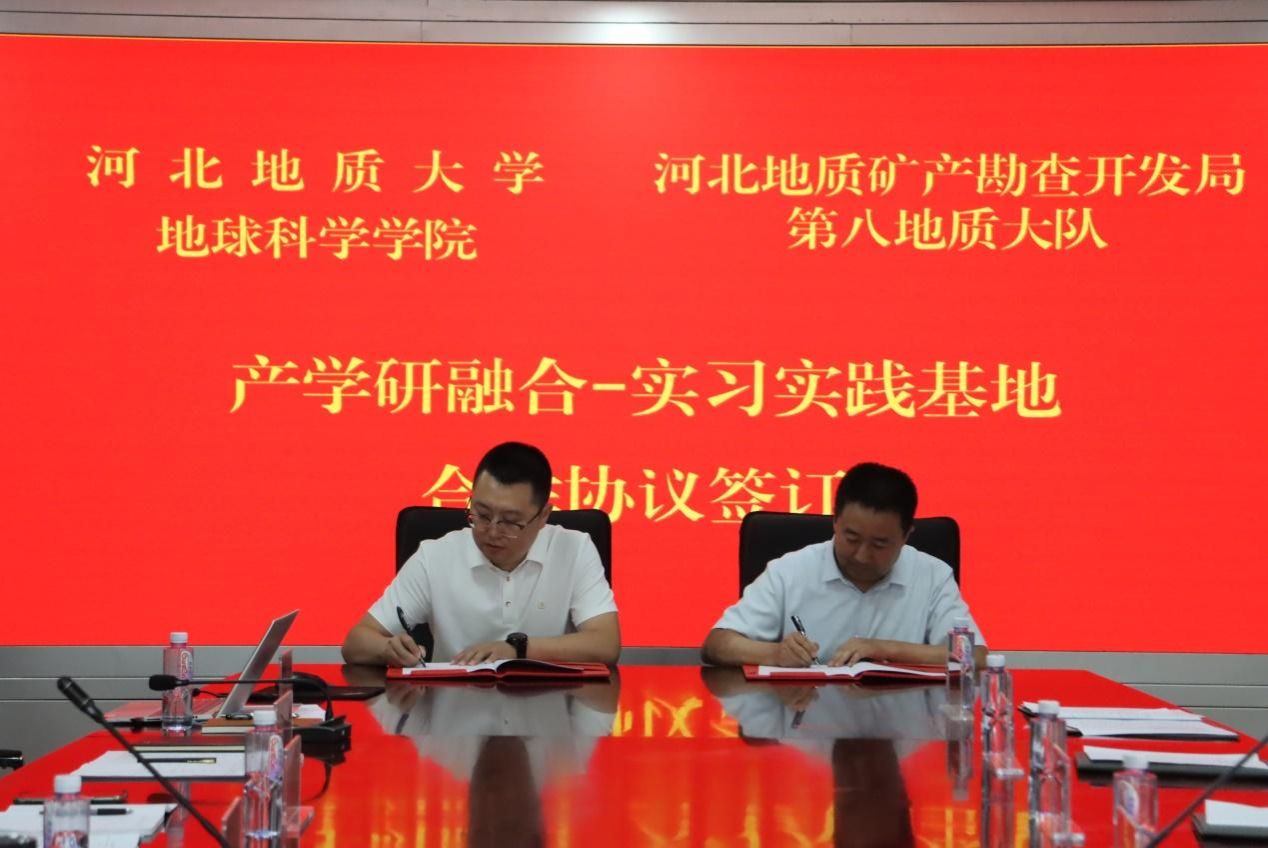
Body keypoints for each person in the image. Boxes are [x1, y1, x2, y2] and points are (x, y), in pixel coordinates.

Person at [341, 441, 620, 666]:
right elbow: (356, 642)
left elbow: (605, 644)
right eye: (482, 514)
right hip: (452, 711)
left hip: (550, 711)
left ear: (543, 515)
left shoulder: (575, 549)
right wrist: (387, 648)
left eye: (510, 521)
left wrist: (517, 650)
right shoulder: (435, 556)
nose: (492, 531)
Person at [701, 461, 986, 668]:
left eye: (879, 544)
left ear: (906, 535)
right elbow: (717, 644)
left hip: (903, 718)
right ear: (835, 521)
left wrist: (882, 649)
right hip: (807, 716)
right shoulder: (790, 571)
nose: (862, 555)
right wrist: (775, 654)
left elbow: (975, 656)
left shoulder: (932, 575)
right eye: (851, 538)